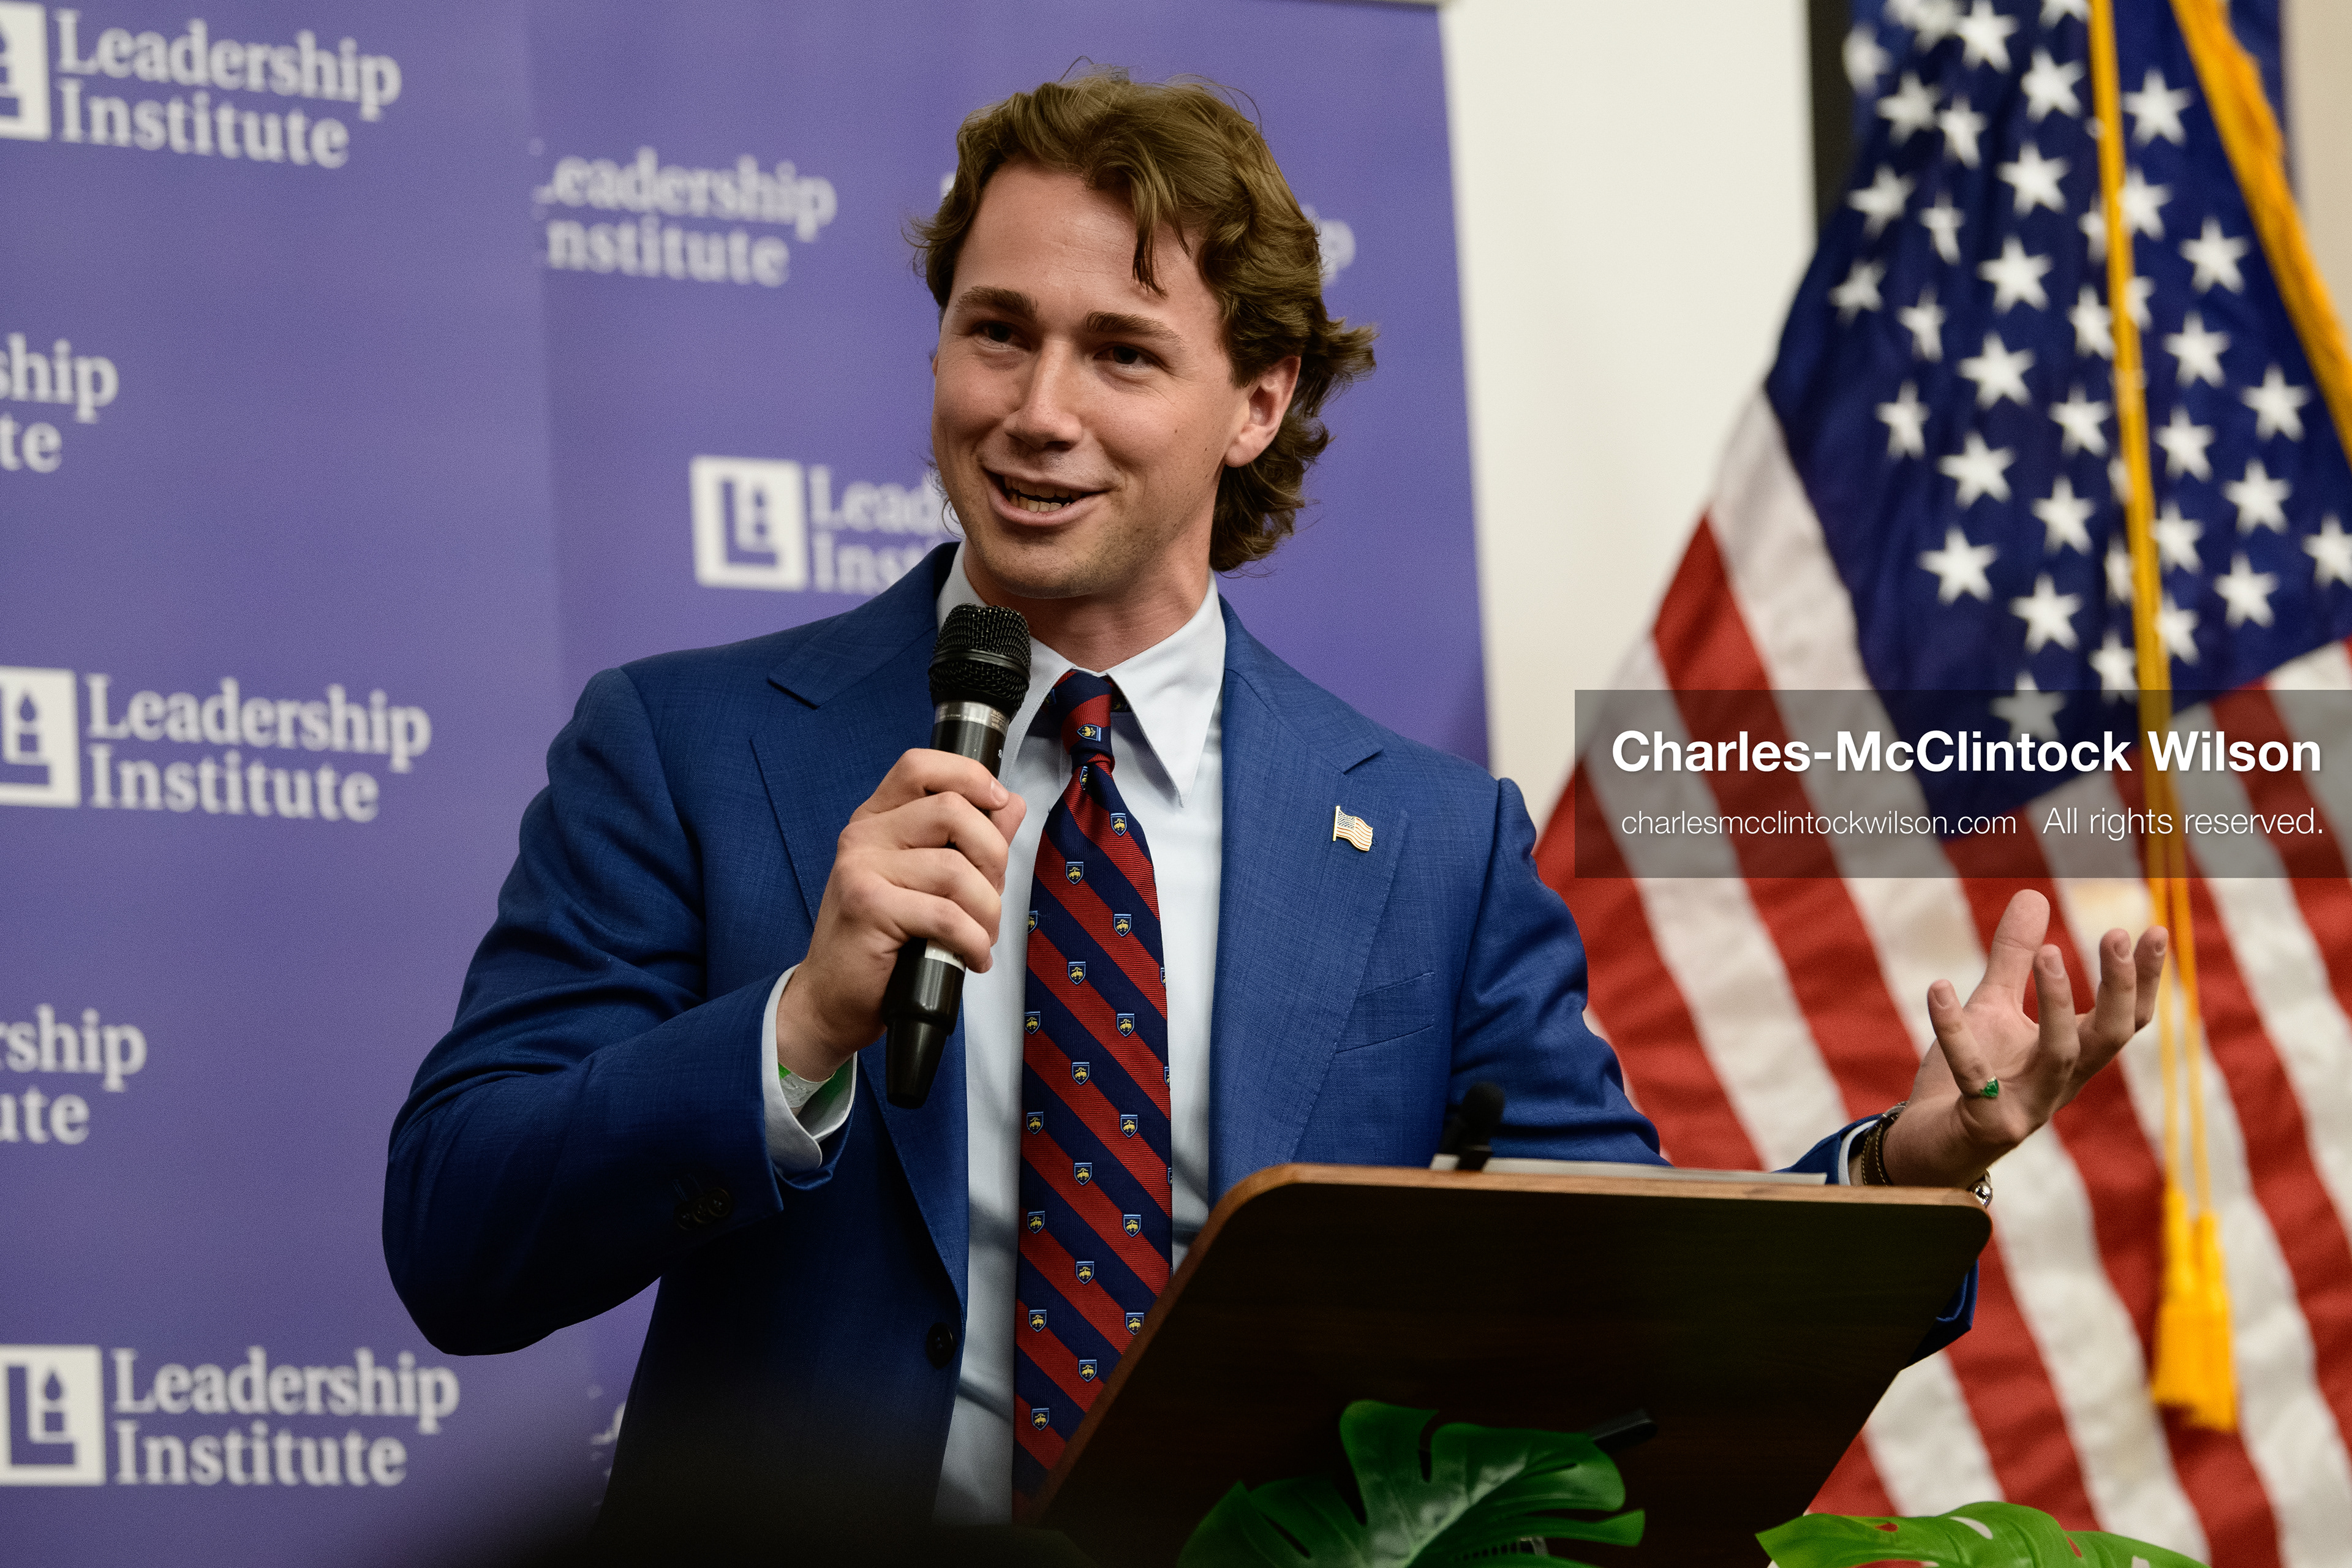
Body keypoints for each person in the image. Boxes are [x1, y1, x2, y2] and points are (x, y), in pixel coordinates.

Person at [384, 70, 2164, 1545]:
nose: (1037, 413)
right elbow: (459, 1237)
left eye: (1124, 355)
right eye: (994, 332)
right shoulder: (689, 747)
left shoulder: (1434, 839)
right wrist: (794, 1028)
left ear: (1259, 400)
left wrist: (1899, 1174)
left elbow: (1616, 1300)